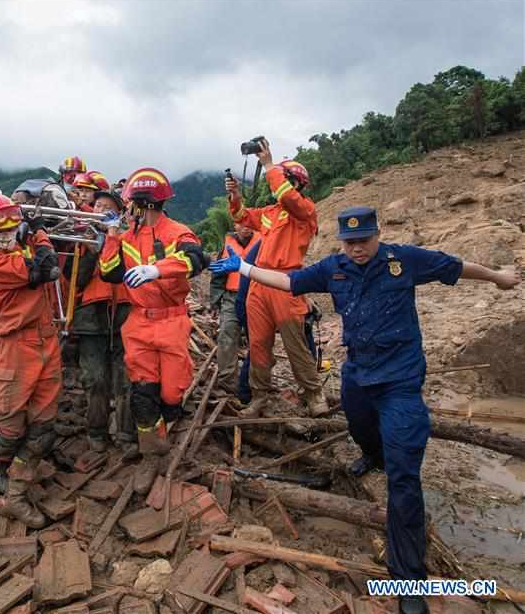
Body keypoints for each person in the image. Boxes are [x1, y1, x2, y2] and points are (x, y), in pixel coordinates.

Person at [211, 206, 520, 614]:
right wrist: (245, 269)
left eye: (364, 240)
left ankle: (409, 582)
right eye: (350, 242)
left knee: (404, 476)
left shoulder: (403, 261)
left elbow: (455, 266)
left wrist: (499, 277)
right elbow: (289, 280)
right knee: (360, 425)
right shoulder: (333, 267)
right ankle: (371, 452)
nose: (357, 249)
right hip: (357, 375)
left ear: (378, 235)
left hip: (400, 382)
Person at [99, 167, 207, 494]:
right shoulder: (126, 234)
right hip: (139, 323)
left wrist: (156, 269)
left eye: (131, 203)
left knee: (172, 395)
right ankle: (152, 453)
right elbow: (110, 273)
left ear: (143, 204)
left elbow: (195, 259)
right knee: (142, 394)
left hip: (171, 320)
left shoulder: (177, 232)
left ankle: (165, 424)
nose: (126, 208)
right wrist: (111, 238)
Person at [0, 192, 62, 528]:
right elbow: (44, 268)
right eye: (0, 233)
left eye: (13, 230)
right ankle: (1, 463)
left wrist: (33, 234)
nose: (8, 237)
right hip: (14, 346)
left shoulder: (13, 249)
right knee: (10, 429)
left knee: (43, 428)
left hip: (44, 340)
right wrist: (39, 233)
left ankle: (15, 494)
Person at [226, 139, 327, 417]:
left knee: (295, 344)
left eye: (284, 179)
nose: (278, 184)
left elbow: (285, 195)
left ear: (295, 183)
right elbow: (241, 217)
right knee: (258, 344)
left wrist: (269, 165)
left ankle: (314, 393)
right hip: (259, 284)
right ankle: (259, 396)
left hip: (286, 283)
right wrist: (234, 194)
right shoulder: (271, 213)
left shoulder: (304, 211)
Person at [65, 187, 134, 454]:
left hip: (124, 315)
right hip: (90, 319)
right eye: (98, 206)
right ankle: (96, 432)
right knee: (95, 379)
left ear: (119, 213)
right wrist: (93, 248)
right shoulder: (80, 240)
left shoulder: (129, 238)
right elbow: (77, 280)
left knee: (125, 377)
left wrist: (114, 239)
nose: (102, 210)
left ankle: (126, 433)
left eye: (109, 207)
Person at [210, 223, 261, 391]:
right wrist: (215, 301)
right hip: (232, 297)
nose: (246, 227)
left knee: (259, 339)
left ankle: (256, 382)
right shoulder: (227, 244)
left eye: (249, 223)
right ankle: (228, 382)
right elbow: (218, 275)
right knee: (227, 335)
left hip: (256, 295)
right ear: (235, 225)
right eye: (241, 224)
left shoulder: (263, 241)